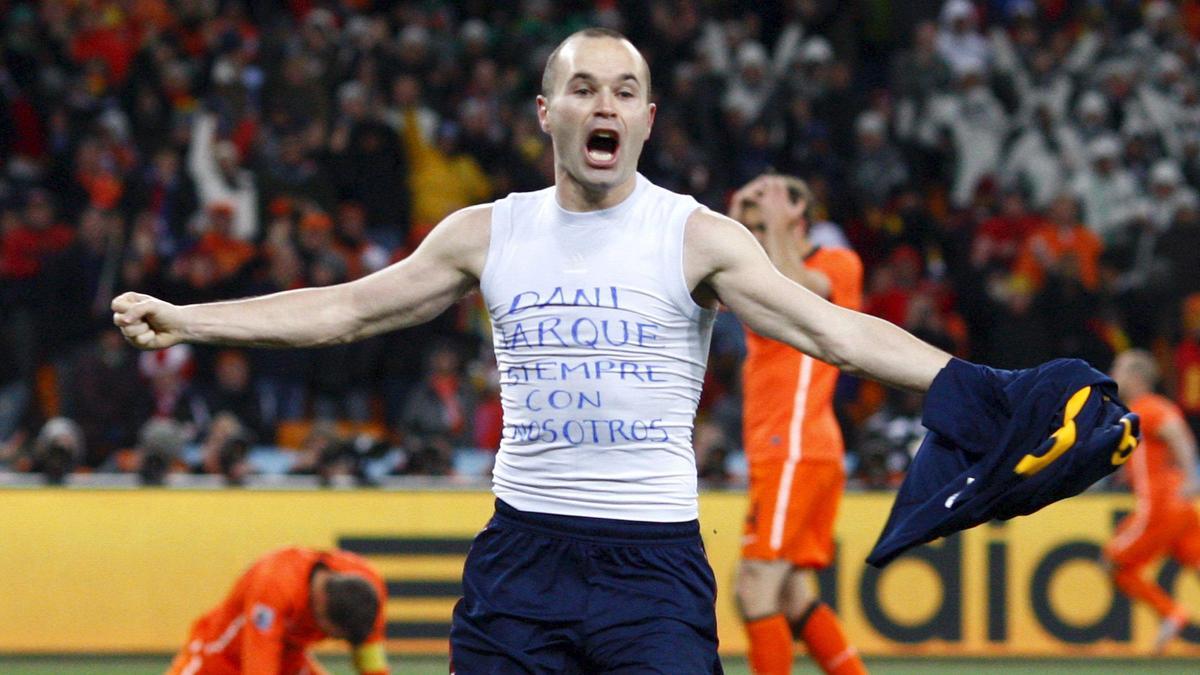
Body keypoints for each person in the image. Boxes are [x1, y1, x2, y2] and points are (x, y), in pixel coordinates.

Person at [115, 28, 952, 673]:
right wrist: (191, 319)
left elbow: (836, 332)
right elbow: (347, 308)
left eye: (626, 92)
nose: (605, 105)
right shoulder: (486, 231)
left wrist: (974, 383)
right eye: (583, 88)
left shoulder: (696, 235)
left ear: (647, 120)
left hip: (654, 566)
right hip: (522, 556)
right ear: (547, 112)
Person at [729, 174, 867, 675]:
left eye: (767, 209)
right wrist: (746, 209)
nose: (756, 225)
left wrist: (777, 222)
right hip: (784, 448)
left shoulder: (837, 264)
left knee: (755, 583)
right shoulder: (757, 270)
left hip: (795, 446)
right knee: (790, 591)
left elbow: (797, 291)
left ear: (799, 211)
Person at [1104, 349, 1200, 652]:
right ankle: (1171, 614)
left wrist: (1193, 477)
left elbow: (1178, 435)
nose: (1113, 375)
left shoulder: (1149, 407)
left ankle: (1171, 613)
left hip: (1160, 506)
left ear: (1136, 376)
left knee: (1111, 562)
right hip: (1178, 506)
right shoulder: (1145, 409)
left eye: (1119, 369)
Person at [166, 546, 388, 675]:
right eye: (330, 634)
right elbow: (259, 667)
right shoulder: (275, 585)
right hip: (223, 655)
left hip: (289, 657)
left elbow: (371, 661)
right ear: (319, 604)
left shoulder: (367, 592)